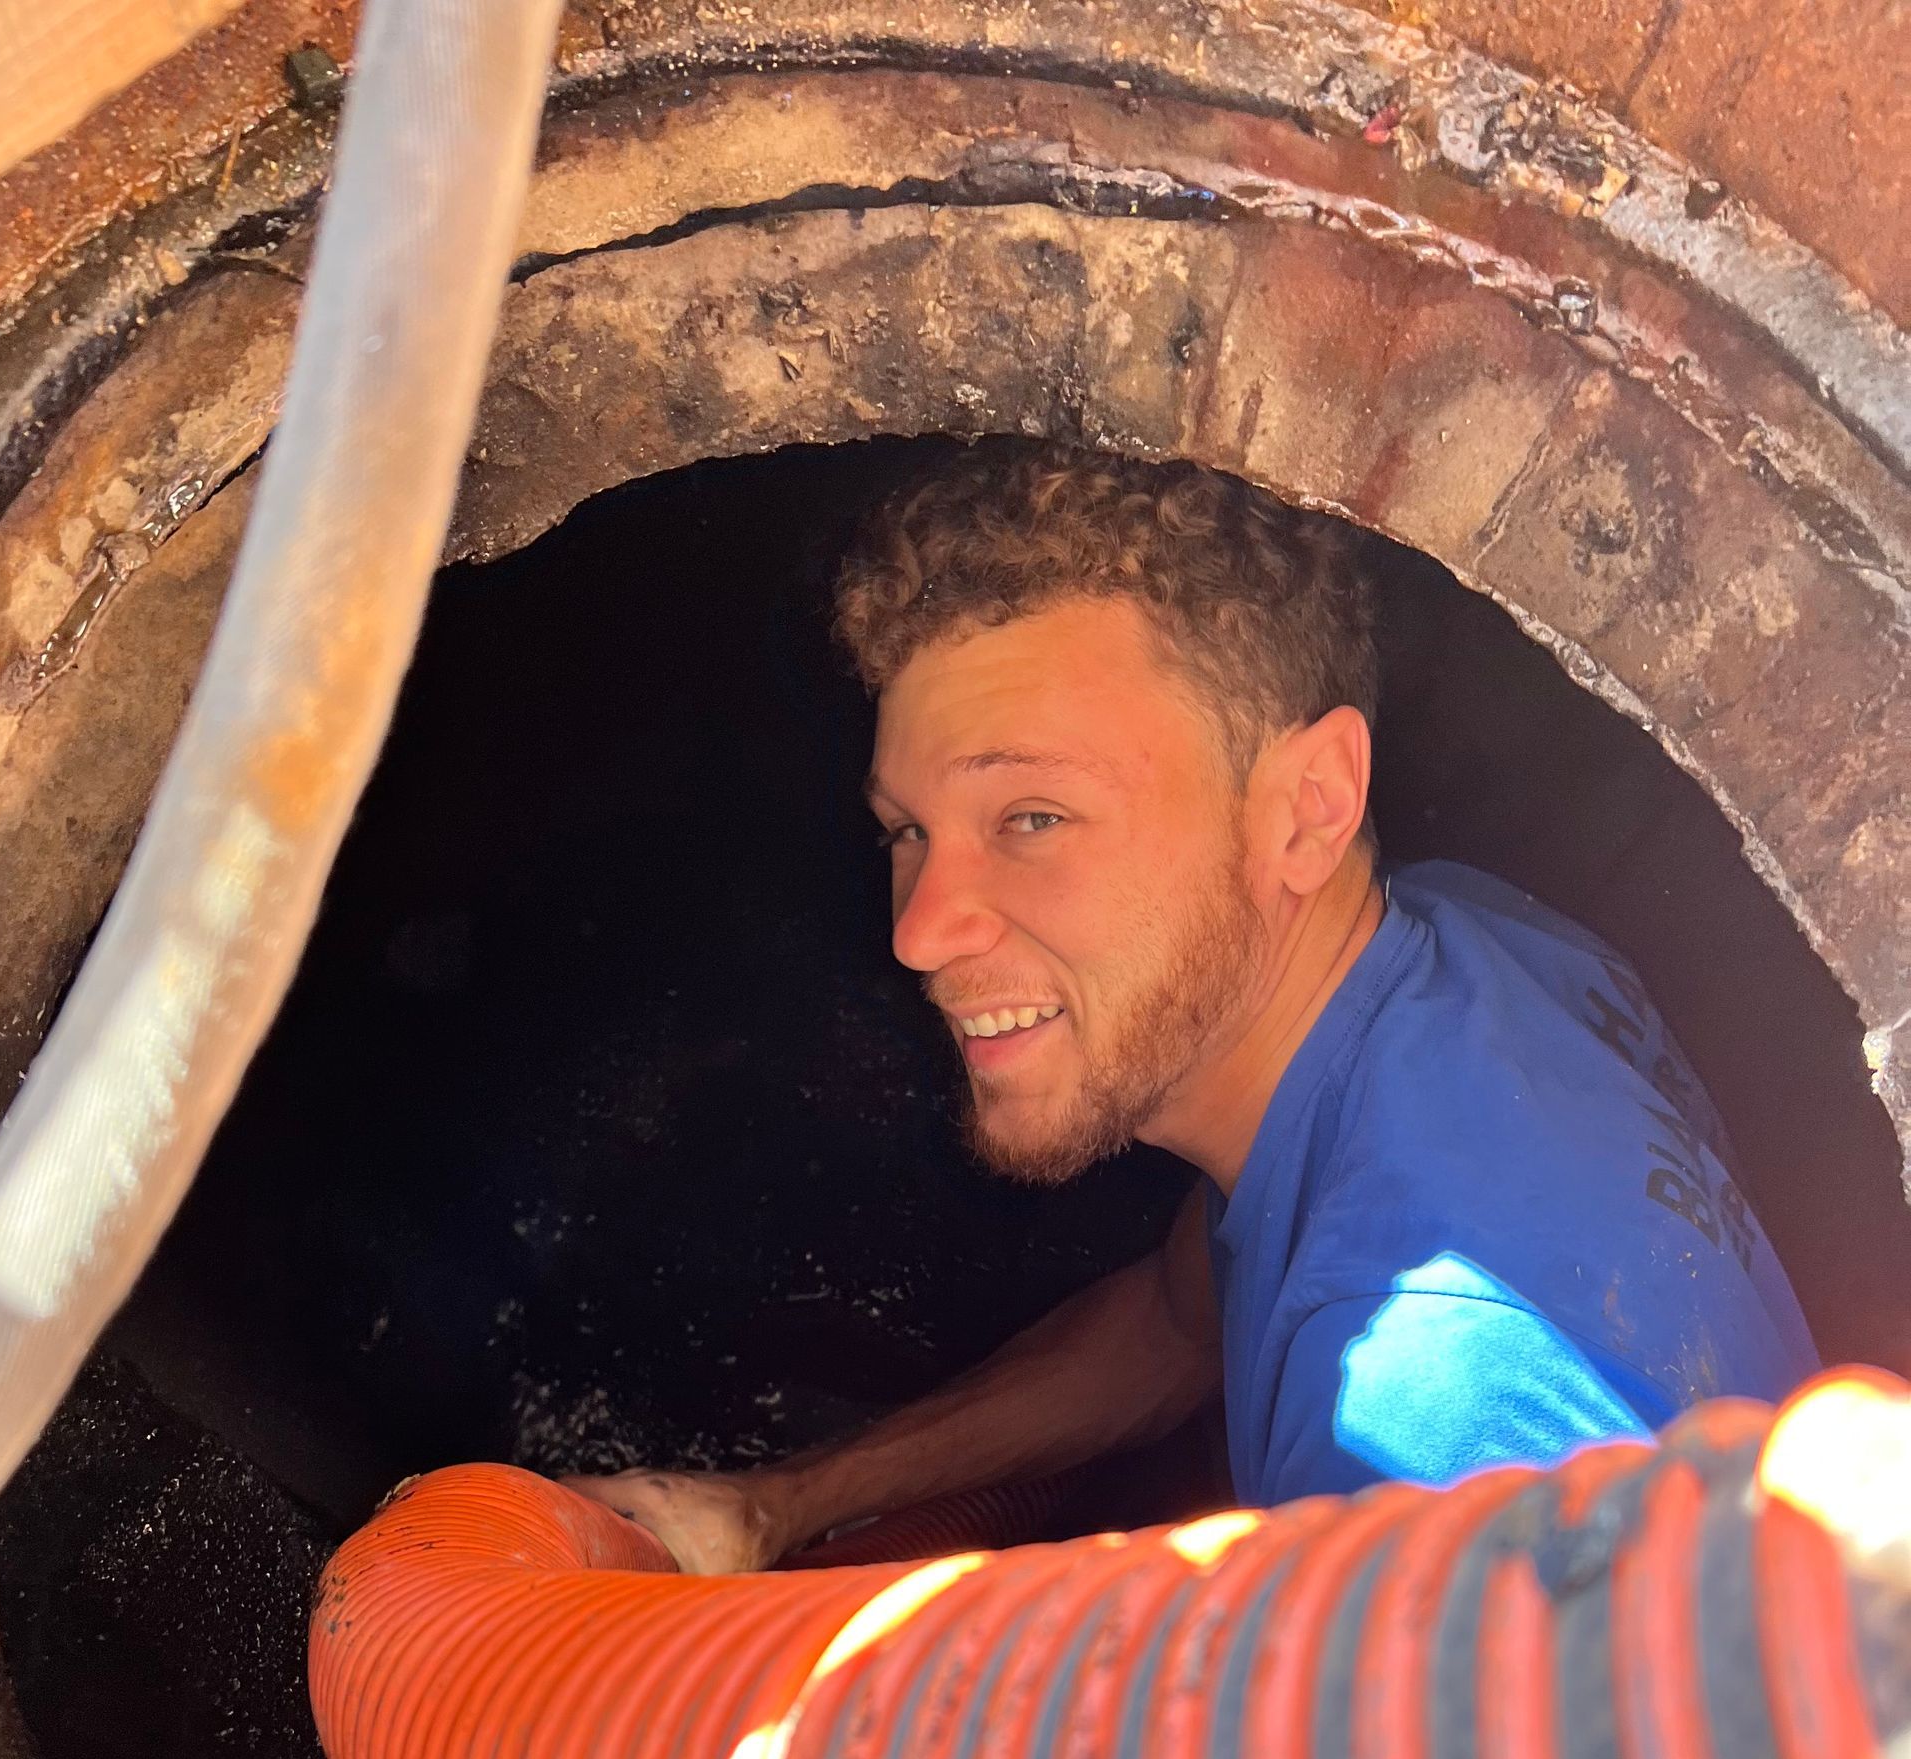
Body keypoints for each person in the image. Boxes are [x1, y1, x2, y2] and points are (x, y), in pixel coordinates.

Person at [569, 447, 1816, 1571]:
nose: (919, 931)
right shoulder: (1458, 950)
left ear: (1305, 808)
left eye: (1032, 818)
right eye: (908, 831)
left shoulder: (1420, 1439)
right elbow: (1178, 1321)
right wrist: (774, 1508)